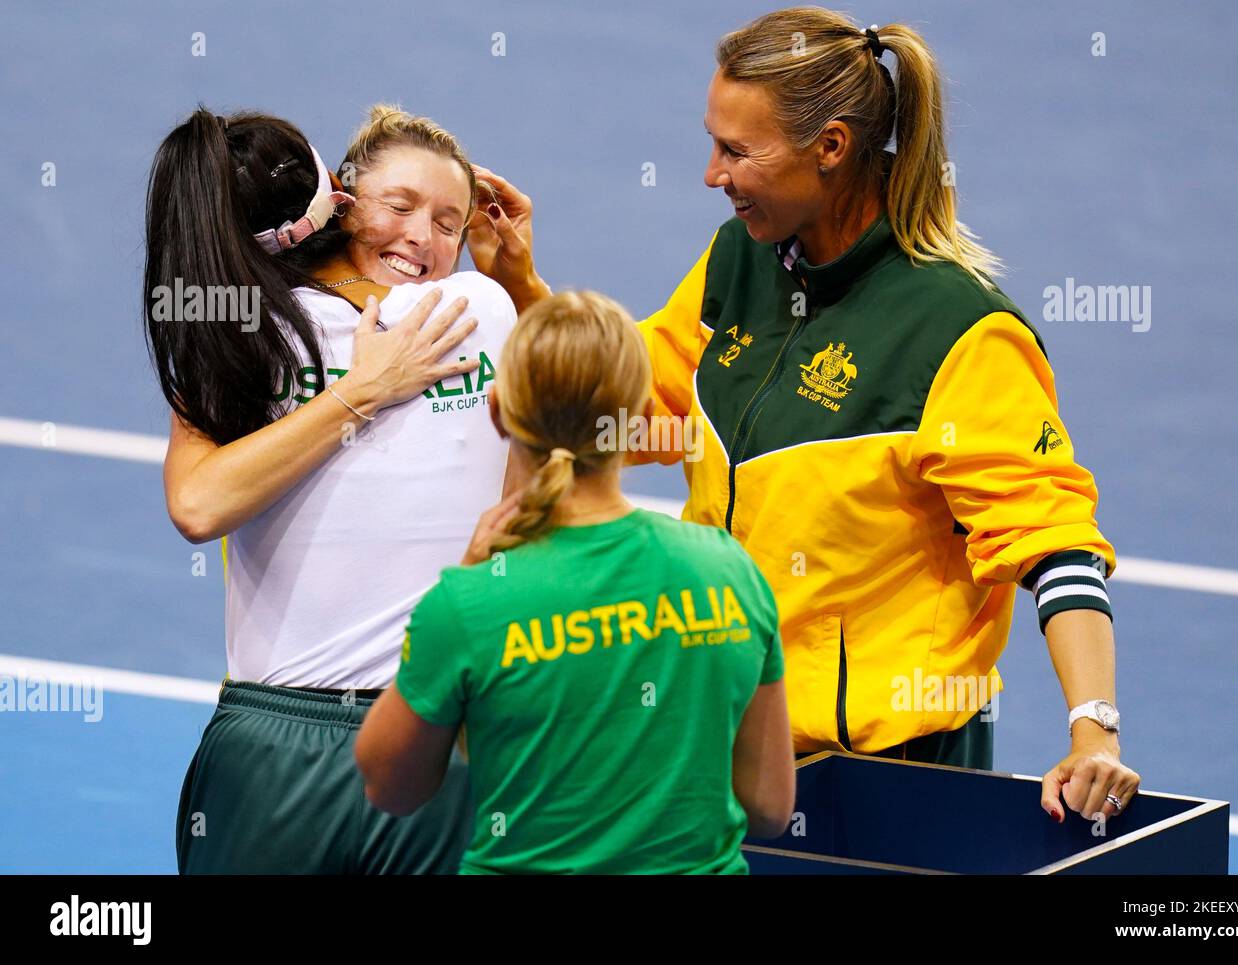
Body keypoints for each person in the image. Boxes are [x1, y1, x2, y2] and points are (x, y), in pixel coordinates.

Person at [472, 8, 1141, 824]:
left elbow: (1055, 544)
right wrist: (522, 288)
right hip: (718, 727)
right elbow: (636, 408)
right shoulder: (742, 261)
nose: (711, 174)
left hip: (882, 778)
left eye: (736, 151)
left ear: (829, 146)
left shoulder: (957, 333)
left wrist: (1093, 728)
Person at [145, 105, 517, 873]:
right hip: (360, 742)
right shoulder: (479, 309)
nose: (423, 236)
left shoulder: (242, 327)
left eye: (449, 223)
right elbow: (198, 505)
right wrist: (360, 391)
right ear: (341, 204)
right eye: (401, 206)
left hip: (388, 742)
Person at [355, 290, 795, 873]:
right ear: (637, 421)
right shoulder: (730, 572)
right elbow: (767, 807)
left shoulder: (468, 603)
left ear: (498, 412)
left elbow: (390, 786)